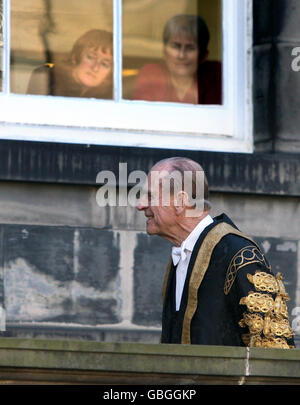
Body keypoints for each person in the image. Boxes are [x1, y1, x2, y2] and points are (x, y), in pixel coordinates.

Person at [137, 157, 294, 348]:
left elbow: (275, 350)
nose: (141, 205)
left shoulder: (240, 255)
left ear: (181, 201)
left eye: (150, 196)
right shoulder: (181, 255)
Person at [132, 14, 221, 104]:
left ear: (204, 55)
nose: (181, 55)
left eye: (190, 48)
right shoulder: (151, 74)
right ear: (164, 51)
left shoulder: (217, 74)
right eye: (175, 46)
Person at [27, 29, 113, 99]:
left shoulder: (109, 97)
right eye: (90, 57)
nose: (95, 68)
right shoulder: (47, 76)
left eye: (104, 64)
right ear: (75, 57)